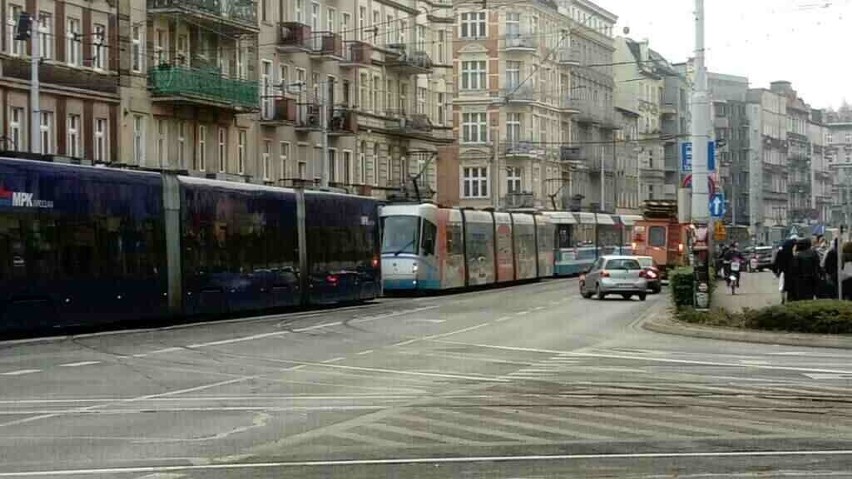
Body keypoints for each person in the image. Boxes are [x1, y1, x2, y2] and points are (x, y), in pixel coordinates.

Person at [789, 237, 821, 302]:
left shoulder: (797, 256)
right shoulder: (813, 253)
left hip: (801, 280)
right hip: (813, 279)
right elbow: (817, 265)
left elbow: (794, 270)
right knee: (810, 297)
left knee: (802, 298)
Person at [774, 237, 798, 303]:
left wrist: (776, 272)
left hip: (783, 272)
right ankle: (787, 299)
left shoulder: (781, 252)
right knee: (788, 287)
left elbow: (775, 263)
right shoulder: (792, 254)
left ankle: (783, 299)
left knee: (782, 287)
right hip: (789, 273)